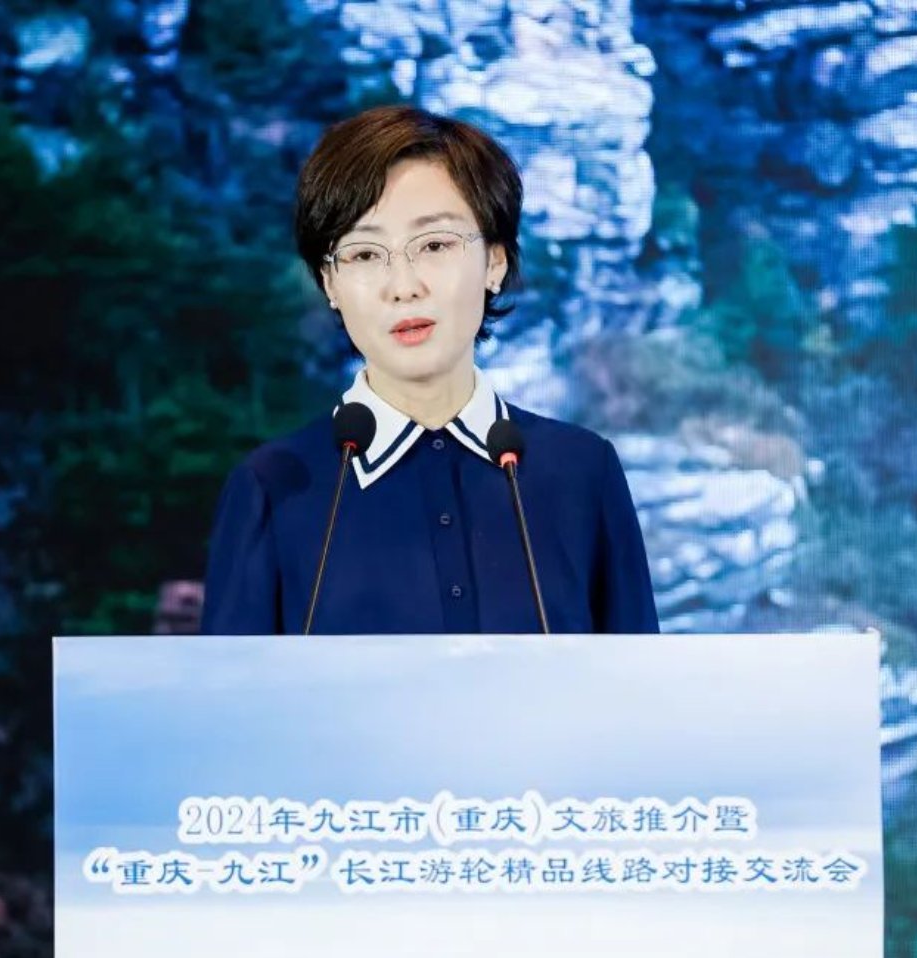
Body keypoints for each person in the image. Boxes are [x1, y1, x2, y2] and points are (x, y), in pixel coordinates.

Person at [201, 105, 659, 635]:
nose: (404, 286)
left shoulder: (582, 472)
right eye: (365, 255)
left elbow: (634, 679)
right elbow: (232, 687)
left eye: (435, 245)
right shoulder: (272, 487)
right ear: (330, 284)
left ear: (495, 260)